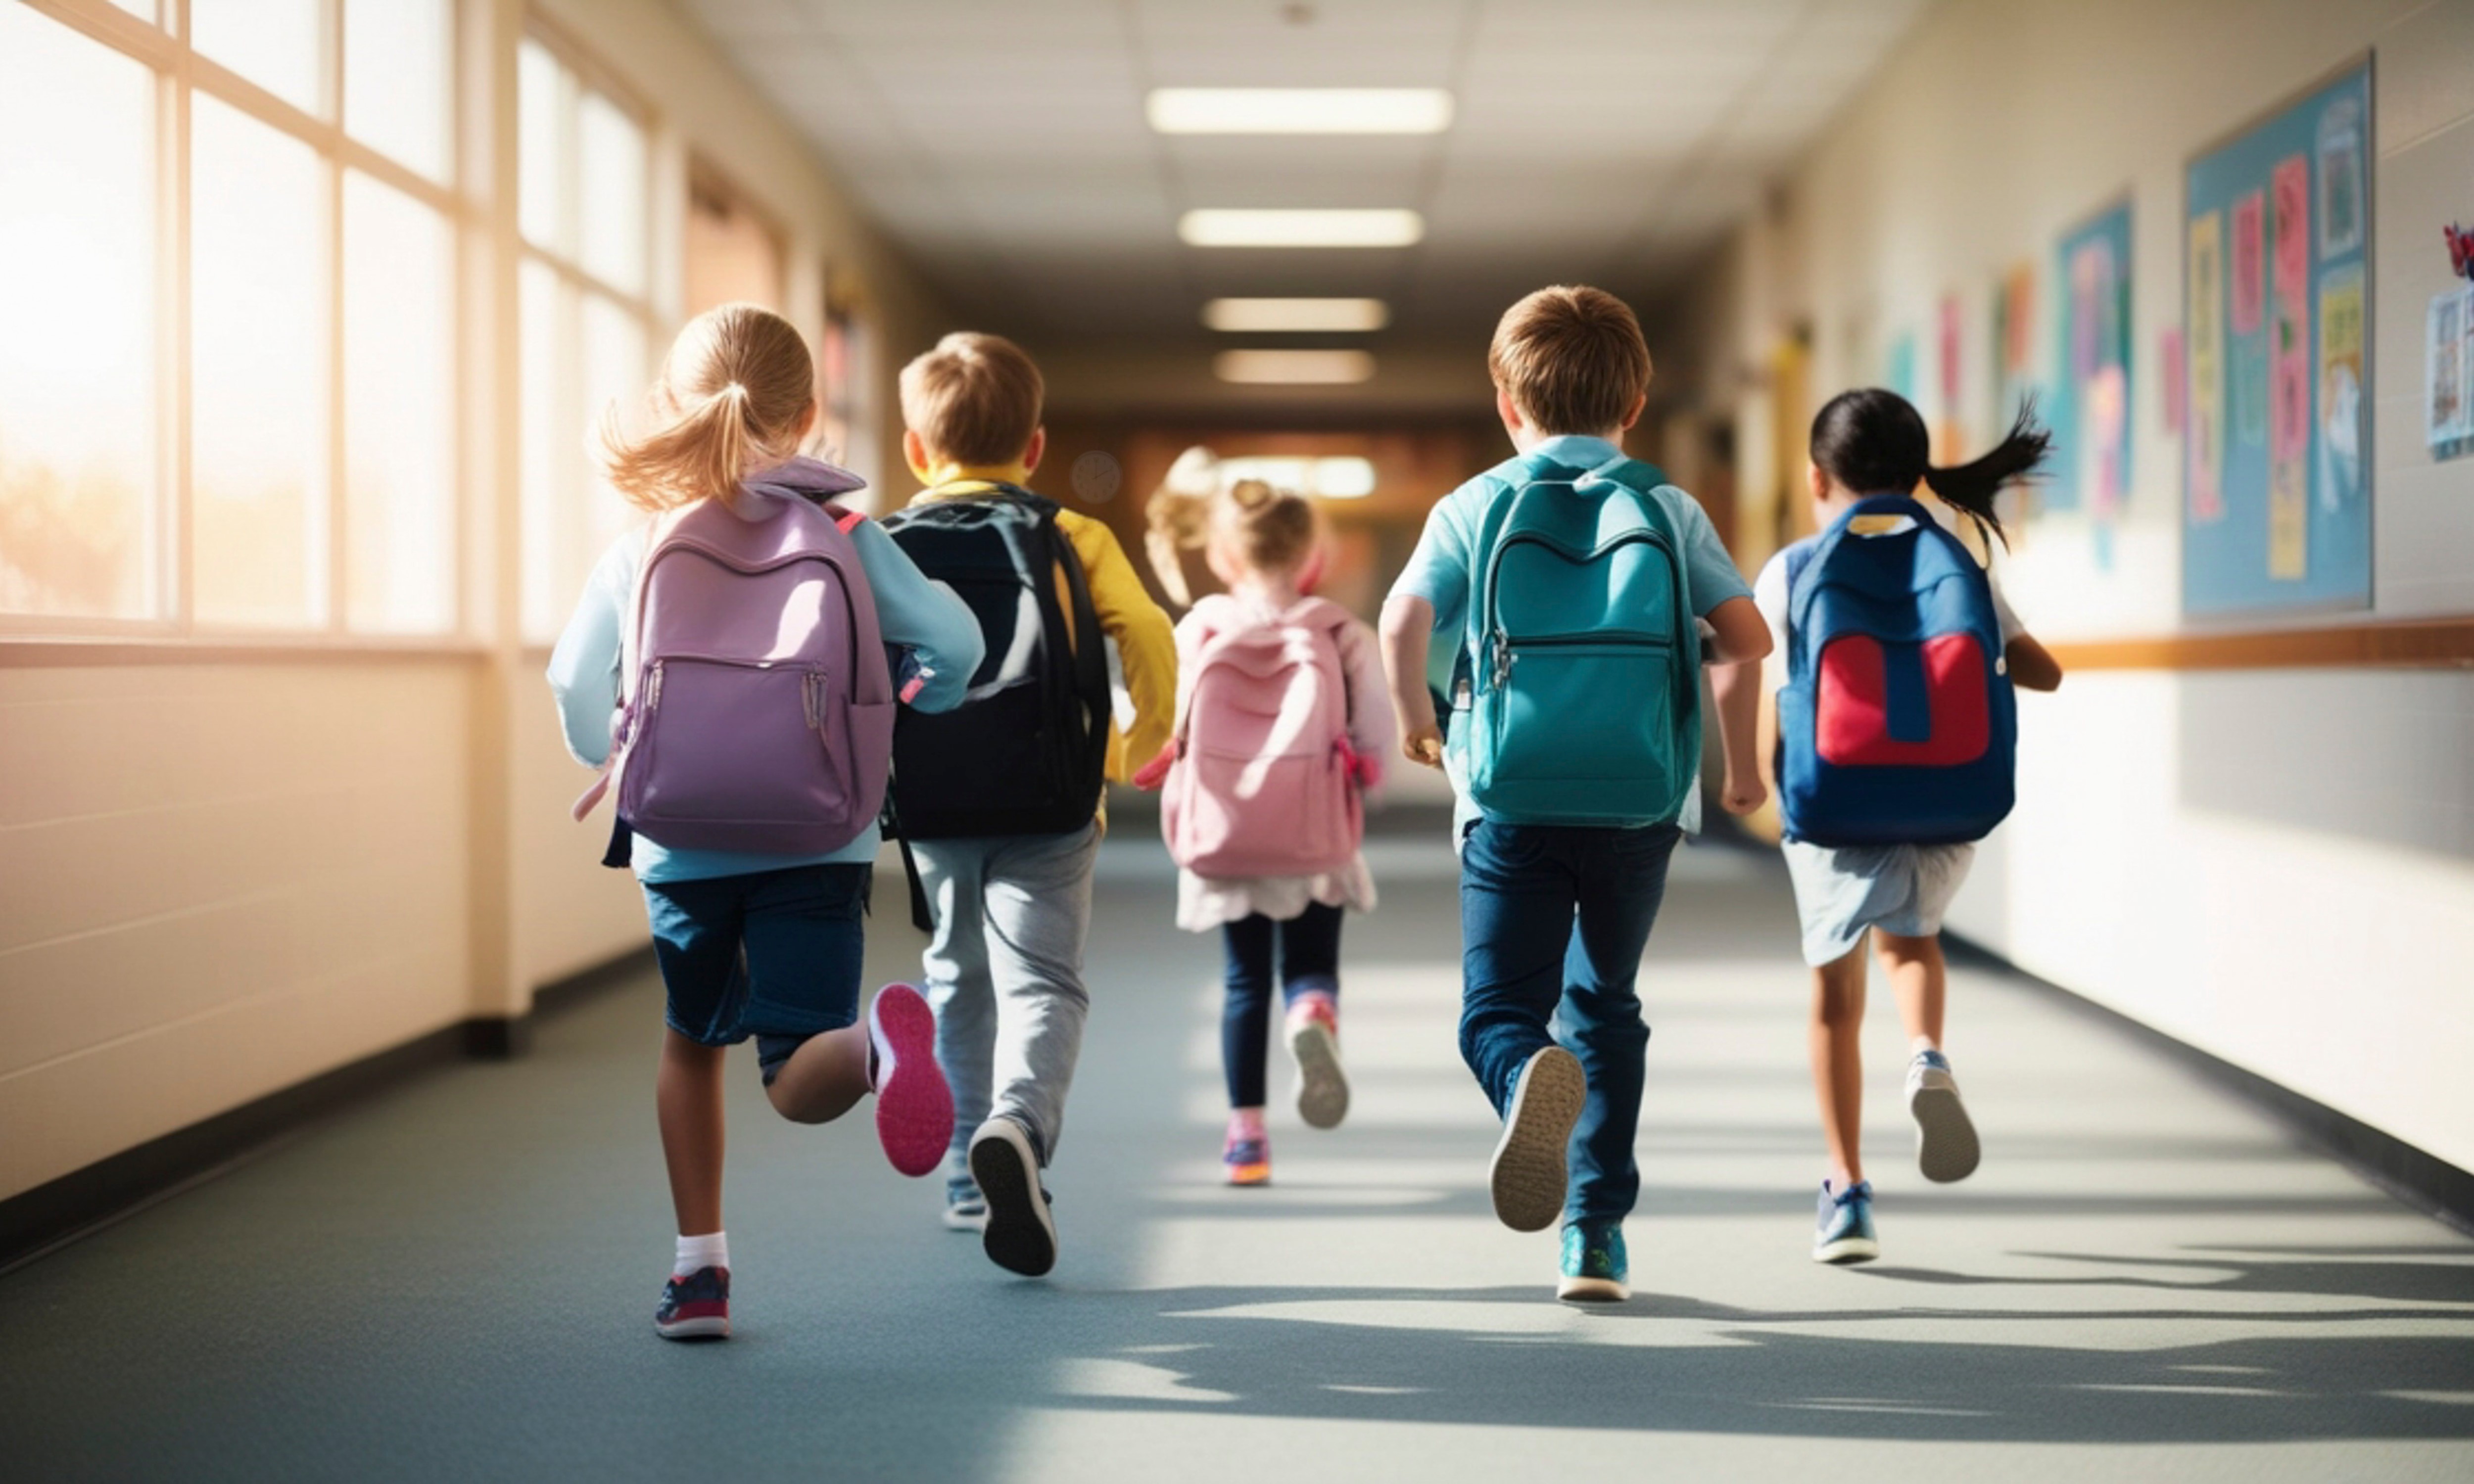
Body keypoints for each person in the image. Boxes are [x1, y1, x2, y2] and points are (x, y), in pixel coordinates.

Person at [547, 304, 984, 1341]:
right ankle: (873, 1050)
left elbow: (572, 682)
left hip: (680, 839)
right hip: (819, 831)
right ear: (807, 412)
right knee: (796, 1068)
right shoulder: (848, 537)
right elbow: (957, 649)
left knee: (690, 1044)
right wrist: (901, 702)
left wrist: (614, 750)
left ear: (676, 404)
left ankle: (699, 1274)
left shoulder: (644, 544)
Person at [1379, 286, 1771, 1302]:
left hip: (1508, 795)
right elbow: (1749, 637)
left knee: (1498, 1011)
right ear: (1634, 404)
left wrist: (1418, 720)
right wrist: (1703, 696)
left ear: (1508, 404)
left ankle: (1523, 1076)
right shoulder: (1668, 507)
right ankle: (1594, 1237)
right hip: (1641, 799)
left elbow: (1401, 621)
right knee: (1605, 1004)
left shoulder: (1474, 505)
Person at [1712, 387, 2063, 1265]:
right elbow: (2043, 672)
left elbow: (1753, 670)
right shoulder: (1958, 562)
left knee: (1836, 1002)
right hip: (1947, 795)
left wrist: (1745, 774)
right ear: (1919, 476)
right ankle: (1928, 1055)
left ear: (1815, 479)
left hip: (1834, 799)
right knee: (1913, 946)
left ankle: (1845, 1192)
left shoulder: (1794, 569)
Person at [883, 332, 1176, 1276]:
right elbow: (1149, 634)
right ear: (1036, 447)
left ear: (917, 451)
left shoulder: (882, 546)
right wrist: (1138, 748)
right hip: (1051, 797)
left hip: (932, 799)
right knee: (1044, 982)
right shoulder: (1071, 534)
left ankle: (965, 1178)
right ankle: (1018, 1127)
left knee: (956, 972)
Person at [1136, 456, 1397, 1186]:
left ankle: (1246, 1141)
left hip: (1227, 834)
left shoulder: (1201, 628)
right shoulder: (1339, 631)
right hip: (1313, 834)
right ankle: (1312, 1011)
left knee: (1244, 981)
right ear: (1312, 555)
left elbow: (1159, 722)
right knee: (1309, 963)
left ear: (1223, 555)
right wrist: (1368, 778)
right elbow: (1376, 731)